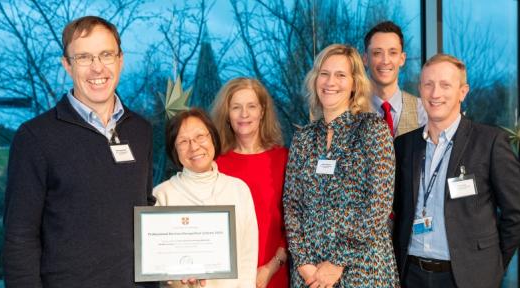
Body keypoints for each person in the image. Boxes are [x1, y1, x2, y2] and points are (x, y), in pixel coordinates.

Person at [3, 16, 156, 288]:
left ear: (120, 60)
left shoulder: (141, 131)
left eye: (106, 54)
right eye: (84, 57)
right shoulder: (35, 137)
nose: (98, 68)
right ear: (67, 65)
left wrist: (176, 265)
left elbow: (145, 212)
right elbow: (19, 237)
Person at [392, 53, 520, 288]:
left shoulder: (490, 142)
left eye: (445, 85)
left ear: (462, 92)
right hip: (410, 274)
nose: (435, 94)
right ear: (420, 89)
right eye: (429, 84)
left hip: (468, 278)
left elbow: (519, 215)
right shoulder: (404, 145)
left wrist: (491, 264)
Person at [283, 44, 399, 287]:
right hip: (310, 274)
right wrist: (303, 263)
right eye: (324, 74)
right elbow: (292, 205)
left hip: (362, 268)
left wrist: (337, 261)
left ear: (355, 83)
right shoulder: (303, 138)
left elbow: (378, 204)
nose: (330, 82)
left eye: (341, 75)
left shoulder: (373, 129)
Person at [153, 108, 258, 288]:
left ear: (213, 138)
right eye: (183, 141)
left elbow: (248, 258)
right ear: (174, 150)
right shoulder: (162, 195)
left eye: (200, 136)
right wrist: (171, 275)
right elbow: (156, 263)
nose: (194, 147)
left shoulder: (238, 189)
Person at [212, 77, 289, 288]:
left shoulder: (284, 159)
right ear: (227, 113)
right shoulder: (215, 164)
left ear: (262, 111)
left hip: (274, 274)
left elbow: (294, 224)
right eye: (236, 107)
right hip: (226, 279)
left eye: (251, 106)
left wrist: (270, 268)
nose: (244, 114)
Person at [364, 21, 427, 137]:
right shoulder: (352, 110)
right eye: (377, 53)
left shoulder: (423, 111)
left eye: (393, 53)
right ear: (365, 59)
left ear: (402, 59)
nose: (385, 61)